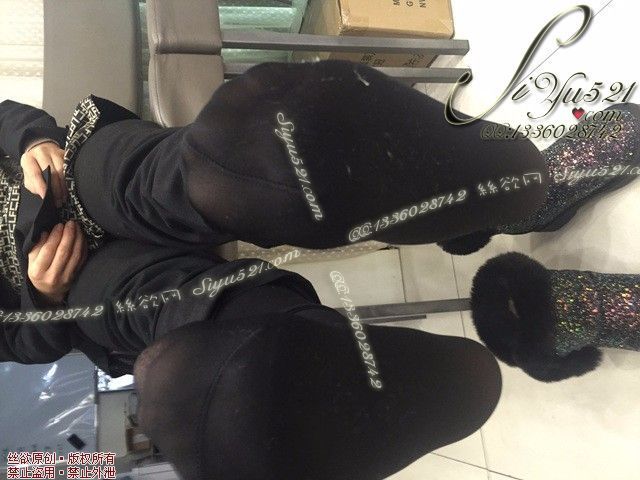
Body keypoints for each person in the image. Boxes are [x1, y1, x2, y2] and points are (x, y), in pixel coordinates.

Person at [1, 238, 502, 480]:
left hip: (84, 196)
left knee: (187, 381)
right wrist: (41, 299)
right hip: (72, 296)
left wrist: (33, 144)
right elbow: (25, 345)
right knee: (172, 359)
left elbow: (10, 117)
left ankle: (285, 342)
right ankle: (289, 336)